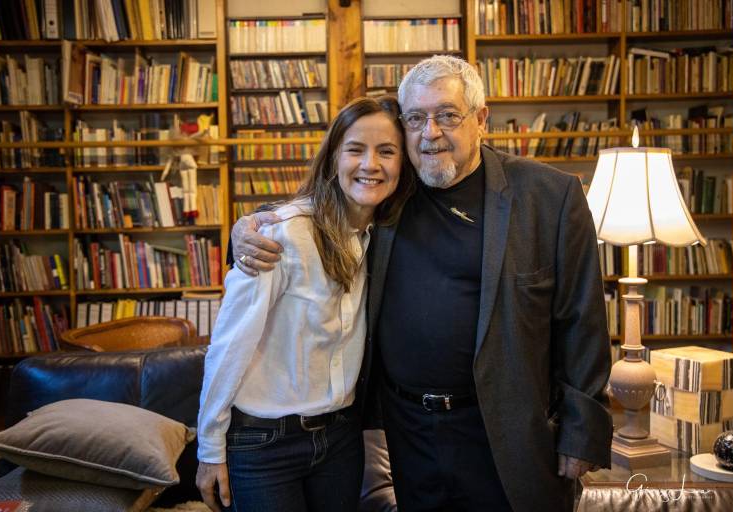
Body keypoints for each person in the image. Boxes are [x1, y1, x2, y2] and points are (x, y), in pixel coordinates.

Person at [231, 55, 613, 512]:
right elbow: (317, 208)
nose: (430, 132)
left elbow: (582, 320)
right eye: (415, 119)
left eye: (448, 115)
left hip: (506, 429)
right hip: (409, 431)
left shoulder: (549, 196)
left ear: (481, 120)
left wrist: (582, 432)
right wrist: (250, 227)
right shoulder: (390, 187)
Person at [196, 96, 414, 512]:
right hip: (264, 441)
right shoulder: (281, 235)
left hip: (340, 438)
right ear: (333, 159)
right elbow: (229, 345)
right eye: (355, 149)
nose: (370, 164)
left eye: (386, 151)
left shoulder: (382, 235)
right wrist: (209, 447)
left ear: (403, 164)